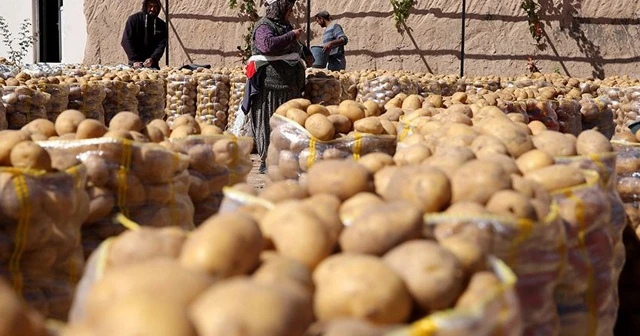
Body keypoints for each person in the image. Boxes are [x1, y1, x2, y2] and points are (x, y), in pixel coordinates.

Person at [240, 0, 307, 174]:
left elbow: (294, 47)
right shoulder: (264, 26)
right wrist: (292, 35)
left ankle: (287, 160)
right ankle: (268, 160)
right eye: (288, 8)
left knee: (286, 125)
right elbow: (267, 46)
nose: (290, 12)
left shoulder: (284, 25)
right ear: (279, 8)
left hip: (289, 87)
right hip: (270, 88)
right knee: (269, 122)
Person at [121, 0, 168, 70]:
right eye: (150, 6)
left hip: (152, 65)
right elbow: (126, 41)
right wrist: (134, 60)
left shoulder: (161, 25)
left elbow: (161, 44)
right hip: (135, 64)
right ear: (145, 6)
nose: (152, 9)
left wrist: (153, 58)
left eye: (155, 7)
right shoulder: (133, 20)